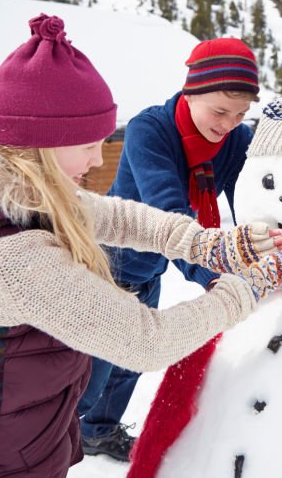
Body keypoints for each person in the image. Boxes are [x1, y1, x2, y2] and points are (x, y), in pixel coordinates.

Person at [0, 14, 282, 477]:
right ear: (42, 143)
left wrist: (209, 245)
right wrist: (250, 286)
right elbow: (146, 341)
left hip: (8, 446)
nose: (100, 160)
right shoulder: (9, 262)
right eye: (88, 144)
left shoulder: (20, 193)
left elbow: (119, 216)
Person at [77, 37, 261, 461]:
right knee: (94, 366)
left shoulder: (234, 140)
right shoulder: (151, 131)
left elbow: (249, 200)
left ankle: (99, 432)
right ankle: (57, 440)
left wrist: (261, 248)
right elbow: (168, 216)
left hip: (150, 267)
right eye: (219, 111)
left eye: (241, 114)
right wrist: (215, 275)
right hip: (110, 261)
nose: (230, 123)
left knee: (132, 362)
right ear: (191, 91)